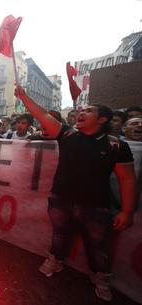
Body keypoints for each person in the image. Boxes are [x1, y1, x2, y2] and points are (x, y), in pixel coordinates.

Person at [15, 85, 137, 302]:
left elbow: (127, 179)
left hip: (96, 206)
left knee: (98, 246)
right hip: (60, 200)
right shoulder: (68, 134)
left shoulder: (116, 145)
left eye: (89, 111)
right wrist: (24, 96)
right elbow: (41, 115)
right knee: (60, 235)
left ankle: (100, 277)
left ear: (102, 120)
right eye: (82, 110)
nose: (82, 112)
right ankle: (55, 260)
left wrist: (126, 211)